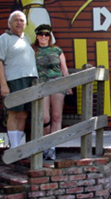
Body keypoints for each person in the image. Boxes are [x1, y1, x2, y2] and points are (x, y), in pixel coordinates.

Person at [0, 10, 38, 148]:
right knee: (13, 112)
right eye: (16, 20)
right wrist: (3, 85)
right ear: (9, 23)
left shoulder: (26, 39)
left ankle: (18, 147)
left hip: (30, 80)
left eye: (22, 20)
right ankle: (14, 147)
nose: (19, 23)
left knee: (24, 114)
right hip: (14, 80)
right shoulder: (3, 39)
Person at [33, 24, 72, 160]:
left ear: (50, 36)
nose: (44, 37)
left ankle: (52, 147)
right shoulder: (33, 50)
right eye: (41, 34)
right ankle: (44, 145)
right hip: (41, 86)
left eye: (46, 34)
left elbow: (64, 69)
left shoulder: (57, 50)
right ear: (37, 36)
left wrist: (69, 87)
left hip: (57, 84)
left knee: (56, 116)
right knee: (45, 117)